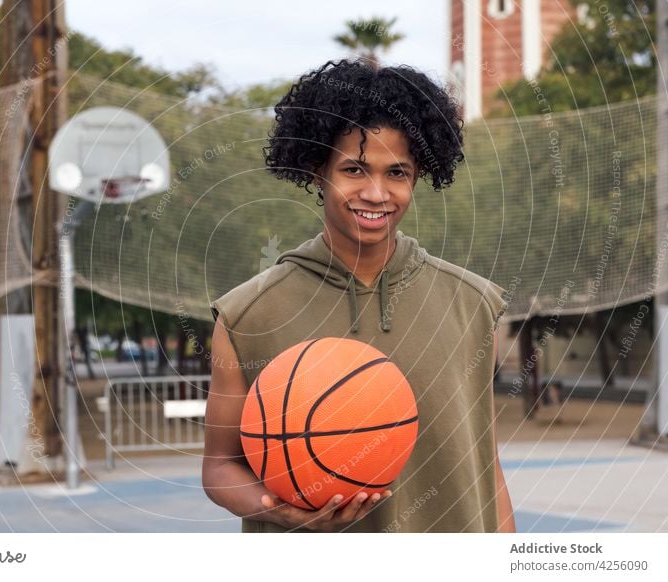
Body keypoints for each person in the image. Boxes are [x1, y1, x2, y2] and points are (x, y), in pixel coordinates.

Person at [202, 58, 515, 533]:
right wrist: (282, 511)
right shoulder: (247, 314)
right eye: (354, 169)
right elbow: (219, 467)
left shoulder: (473, 302)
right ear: (316, 170)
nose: (376, 192)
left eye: (397, 173)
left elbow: (483, 464)